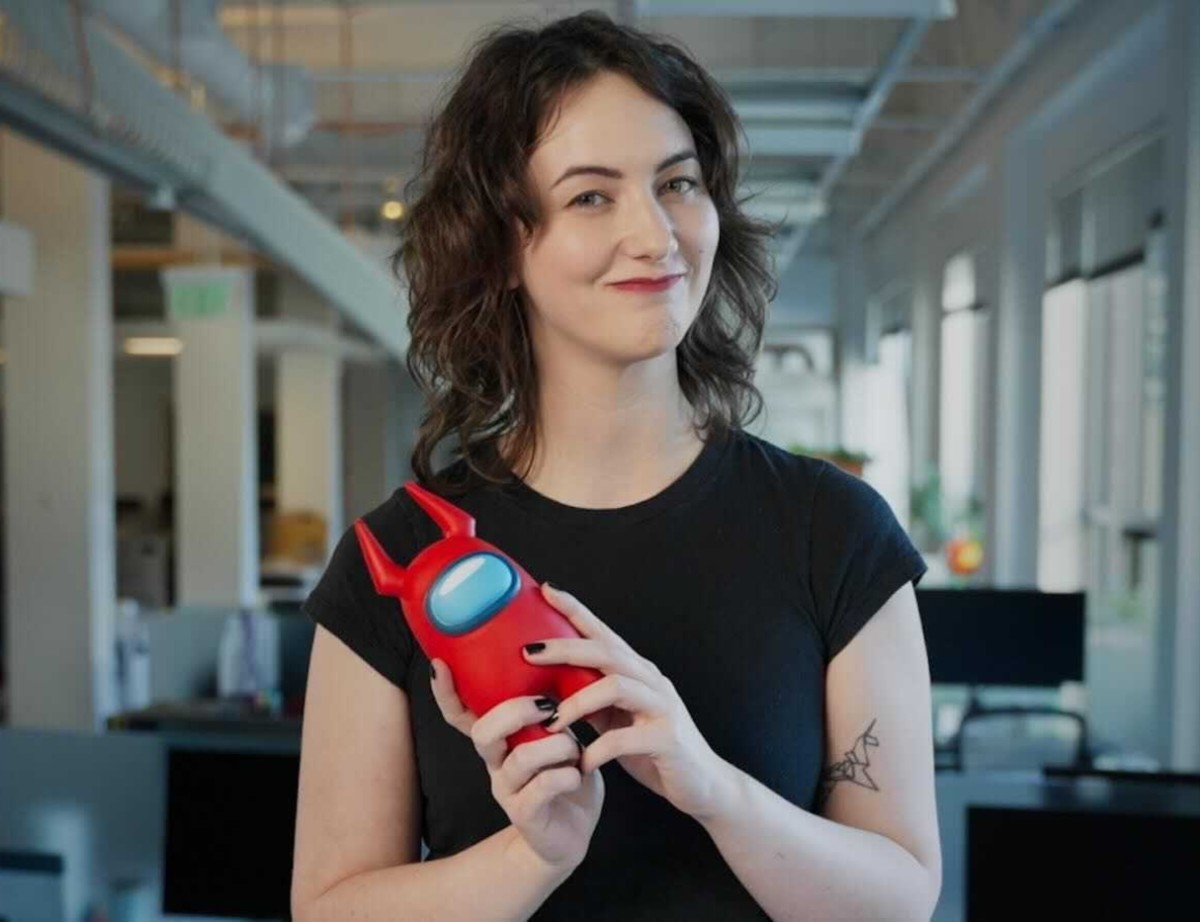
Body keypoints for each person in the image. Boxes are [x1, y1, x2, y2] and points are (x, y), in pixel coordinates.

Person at [291, 11, 941, 922]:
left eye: (677, 183)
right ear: (502, 246)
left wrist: (713, 789)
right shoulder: (399, 562)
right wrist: (530, 857)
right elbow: (329, 909)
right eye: (592, 196)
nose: (656, 234)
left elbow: (902, 899)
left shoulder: (833, 531)